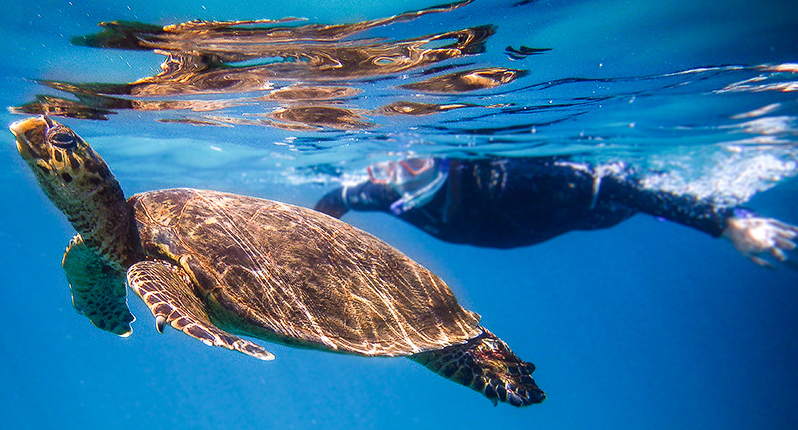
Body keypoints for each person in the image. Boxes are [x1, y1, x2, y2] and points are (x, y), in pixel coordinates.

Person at [313, 156, 797, 269]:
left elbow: (619, 187)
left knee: (634, 189)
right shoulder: (382, 191)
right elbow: (334, 200)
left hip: (589, 204)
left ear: (440, 159)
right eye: (383, 168)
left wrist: (726, 223)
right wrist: (310, 244)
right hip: (507, 226)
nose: (394, 173)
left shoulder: (509, 183)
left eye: (410, 160)